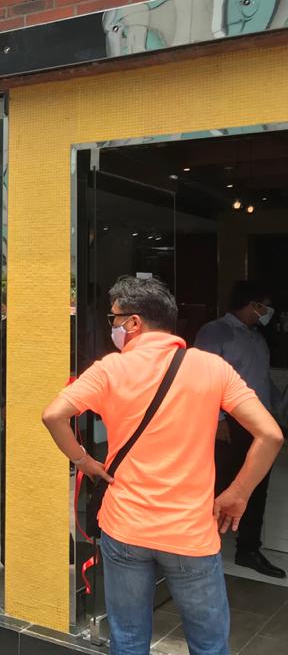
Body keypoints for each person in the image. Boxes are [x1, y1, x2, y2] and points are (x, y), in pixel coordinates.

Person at [42, 276, 283, 655]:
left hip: (124, 528)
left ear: (134, 323)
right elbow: (270, 435)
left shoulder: (108, 369)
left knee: (129, 640)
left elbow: (53, 414)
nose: (113, 327)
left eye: (114, 318)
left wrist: (84, 460)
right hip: (189, 532)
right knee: (207, 645)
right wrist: (238, 493)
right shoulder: (212, 368)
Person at [196, 281, 285, 578]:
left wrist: (278, 410)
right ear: (252, 304)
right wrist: (218, 419)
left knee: (255, 487)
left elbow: (261, 382)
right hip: (229, 424)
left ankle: (248, 549)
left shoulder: (257, 338)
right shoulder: (215, 332)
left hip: (258, 423)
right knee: (216, 483)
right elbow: (201, 377)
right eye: (265, 305)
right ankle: (199, 543)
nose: (268, 312)